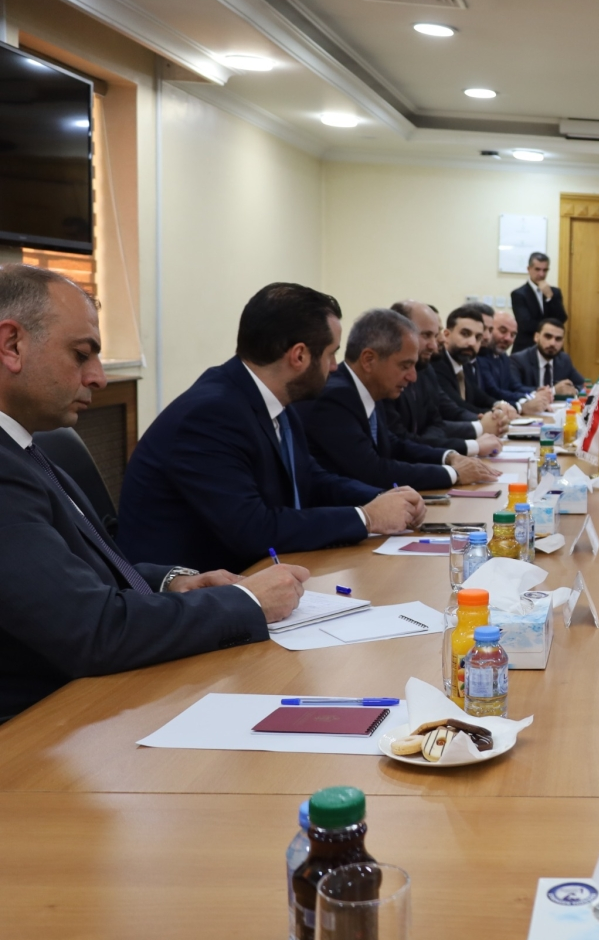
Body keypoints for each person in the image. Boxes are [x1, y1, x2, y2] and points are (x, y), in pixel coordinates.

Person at [0, 265, 309, 719]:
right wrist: (248, 602)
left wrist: (173, 582)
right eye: (81, 355)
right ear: (12, 345)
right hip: (38, 727)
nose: (98, 377)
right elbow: (91, 630)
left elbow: (74, 570)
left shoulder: (23, 445)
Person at [118, 282, 426, 574]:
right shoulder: (211, 414)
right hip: (187, 594)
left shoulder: (272, 400)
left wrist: (384, 498)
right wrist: (366, 518)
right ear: (299, 356)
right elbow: (253, 529)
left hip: (254, 574)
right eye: (331, 353)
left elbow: (311, 479)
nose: (335, 367)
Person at [299, 308, 500, 490]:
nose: (413, 377)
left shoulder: (369, 387)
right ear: (369, 360)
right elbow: (372, 471)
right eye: (405, 366)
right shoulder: (335, 397)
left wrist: (449, 457)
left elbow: (395, 445)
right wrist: (453, 474)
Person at [387, 300, 504, 457]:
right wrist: (477, 436)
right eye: (427, 335)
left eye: (436, 335)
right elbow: (399, 443)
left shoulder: (426, 368)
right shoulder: (432, 366)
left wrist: (497, 412)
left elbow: (437, 422)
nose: (436, 344)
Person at [430, 306, 517, 416]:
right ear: (446, 335)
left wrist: (500, 404)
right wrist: (497, 414)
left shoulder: (465, 362)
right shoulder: (436, 364)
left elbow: (478, 395)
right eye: (465, 334)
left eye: (478, 337)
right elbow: (457, 407)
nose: (472, 343)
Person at [473, 308, 549, 412]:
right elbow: (494, 391)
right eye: (503, 331)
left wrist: (536, 392)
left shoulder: (504, 357)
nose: (508, 338)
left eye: (513, 335)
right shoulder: (479, 356)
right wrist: (529, 399)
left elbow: (513, 385)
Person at [510, 251, 567, 352]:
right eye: (537, 269)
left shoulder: (555, 292)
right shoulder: (518, 294)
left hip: (552, 347)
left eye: (545, 270)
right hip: (527, 347)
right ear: (529, 269)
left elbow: (561, 319)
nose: (541, 274)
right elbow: (526, 324)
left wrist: (550, 298)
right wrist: (550, 328)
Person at [512, 318, 586, 396]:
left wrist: (573, 391)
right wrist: (553, 391)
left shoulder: (564, 359)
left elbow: (582, 384)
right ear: (536, 337)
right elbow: (515, 389)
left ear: (562, 342)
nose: (552, 343)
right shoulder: (519, 360)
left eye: (558, 339)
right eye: (548, 337)